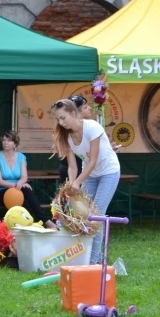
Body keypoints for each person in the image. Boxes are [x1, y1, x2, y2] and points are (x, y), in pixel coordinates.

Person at [51, 98, 121, 264]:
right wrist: (71, 184)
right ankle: (88, 257)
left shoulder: (92, 127)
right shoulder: (66, 137)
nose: (61, 123)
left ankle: (94, 262)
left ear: (74, 114)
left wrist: (77, 183)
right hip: (89, 175)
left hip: (108, 172)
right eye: (58, 119)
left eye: (63, 118)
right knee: (86, 215)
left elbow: (93, 160)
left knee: (96, 215)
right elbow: (72, 167)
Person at [0, 130, 57, 229]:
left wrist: (20, 183)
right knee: (26, 190)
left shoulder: (21, 157)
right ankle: (45, 221)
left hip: (16, 190)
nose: (5, 143)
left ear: (15, 143)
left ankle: (30, 227)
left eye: (9, 140)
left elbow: (24, 177)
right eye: (4, 140)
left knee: (26, 198)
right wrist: (17, 185)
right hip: (0, 191)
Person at [57, 95, 90, 184]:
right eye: (85, 107)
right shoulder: (66, 131)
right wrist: (73, 183)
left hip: (84, 170)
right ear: (76, 112)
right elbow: (72, 165)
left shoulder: (90, 127)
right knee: (70, 196)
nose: (89, 108)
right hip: (72, 170)